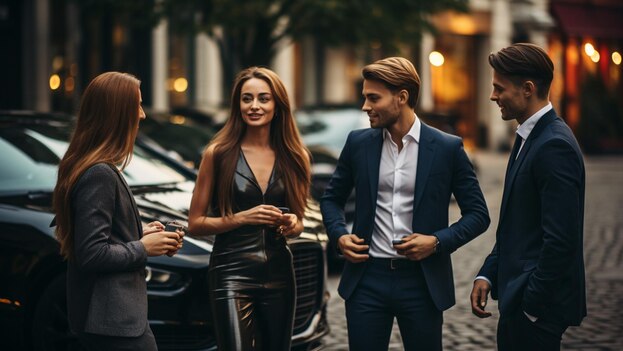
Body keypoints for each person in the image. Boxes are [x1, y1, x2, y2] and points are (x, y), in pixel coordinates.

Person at [320, 57, 490, 350]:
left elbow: (478, 214)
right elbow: (331, 199)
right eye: (364, 97)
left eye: (373, 98)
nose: (365, 106)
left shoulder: (447, 148)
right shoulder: (358, 143)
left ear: (402, 98)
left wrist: (436, 241)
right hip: (366, 279)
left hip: (421, 283)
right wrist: (339, 235)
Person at [53, 72, 183, 350]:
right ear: (118, 113)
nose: (143, 115)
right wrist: (143, 247)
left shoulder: (95, 167)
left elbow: (98, 237)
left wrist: (138, 234)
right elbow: (91, 253)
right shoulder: (99, 173)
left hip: (115, 318)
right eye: (137, 105)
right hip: (112, 321)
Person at [471, 43, 586, 350]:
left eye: (499, 88)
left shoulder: (553, 145)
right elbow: (517, 224)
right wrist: (489, 274)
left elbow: (562, 240)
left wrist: (531, 304)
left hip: (533, 313)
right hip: (517, 301)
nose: (493, 96)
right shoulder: (529, 135)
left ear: (527, 88)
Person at [188, 67, 311, 351]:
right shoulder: (217, 154)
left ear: (277, 105)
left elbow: (300, 220)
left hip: (280, 273)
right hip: (231, 272)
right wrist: (240, 218)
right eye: (247, 99)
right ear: (237, 105)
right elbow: (195, 223)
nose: (254, 106)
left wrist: (293, 223)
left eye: (263, 99)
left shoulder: (296, 157)